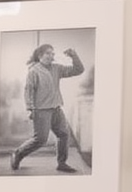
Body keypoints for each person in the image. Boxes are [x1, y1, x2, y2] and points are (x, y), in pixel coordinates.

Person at [9, 43, 85, 173]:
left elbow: (78, 70)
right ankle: (18, 153)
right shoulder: (34, 71)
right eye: (48, 53)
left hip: (56, 108)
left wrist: (74, 55)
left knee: (64, 134)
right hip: (41, 110)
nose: (51, 56)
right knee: (40, 140)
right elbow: (29, 90)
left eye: (52, 53)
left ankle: (62, 163)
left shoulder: (57, 68)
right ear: (40, 56)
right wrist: (31, 108)